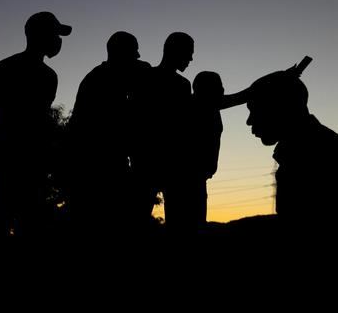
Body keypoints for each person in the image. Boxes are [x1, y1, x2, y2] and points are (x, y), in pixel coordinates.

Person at [0, 11, 71, 238]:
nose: (58, 41)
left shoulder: (49, 76)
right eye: (55, 35)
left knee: (29, 221)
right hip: (11, 156)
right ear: (40, 35)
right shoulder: (6, 68)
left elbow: (41, 119)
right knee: (3, 216)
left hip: (35, 159)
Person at [67, 31, 150, 237]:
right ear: (121, 53)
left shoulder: (110, 77)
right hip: (96, 165)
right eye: (134, 52)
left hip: (110, 163)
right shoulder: (98, 80)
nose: (138, 56)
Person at [246, 68, 338, 233]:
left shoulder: (313, 155)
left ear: (281, 108)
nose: (249, 121)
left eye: (255, 110)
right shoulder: (311, 147)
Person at [131, 32, 194, 232]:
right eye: (189, 53)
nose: (191, 59)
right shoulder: (146, 77)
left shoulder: (182, 84)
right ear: (175, 51)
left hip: (168, 162)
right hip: (149, 160)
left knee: (175, 221)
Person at [187, 71, 249, 229]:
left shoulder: (210, 106)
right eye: (219, 86)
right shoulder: (196, 106)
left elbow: (245, 95)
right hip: (187, 179)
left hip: (198, 179)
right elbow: (244, 95)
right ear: (205, 89)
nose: (223, 90)